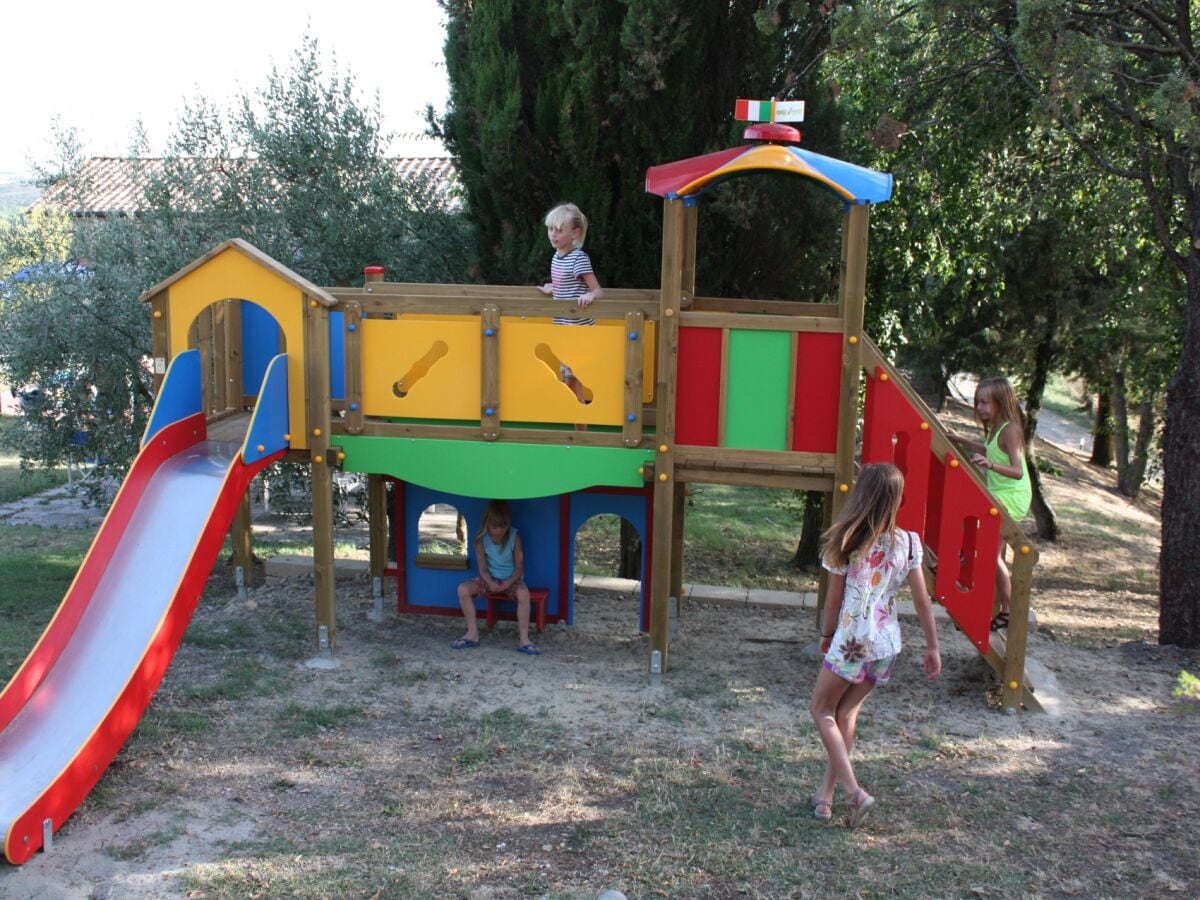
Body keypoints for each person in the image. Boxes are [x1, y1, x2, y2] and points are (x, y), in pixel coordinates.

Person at [809, 463, 941, 827]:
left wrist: (825, 635)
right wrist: (932, 646)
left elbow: (833, 602)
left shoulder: (845, 542)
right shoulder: (910, 542)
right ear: (898, 500)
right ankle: (825, 797)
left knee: (821, 710)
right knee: (845, 715)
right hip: (887, 645)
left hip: (853, 641)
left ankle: (854, 793)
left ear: (860, 495)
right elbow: (922, 601)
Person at [947, 376, 1032, 632]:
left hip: (1012, 495)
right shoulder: (995, 428)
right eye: (978, 402)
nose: (980, 408)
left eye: (985, 403)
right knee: (992, 557)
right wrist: (961, 440)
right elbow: (988, 450)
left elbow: (1018, 471)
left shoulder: (1011, 430)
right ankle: (1004, 609)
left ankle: (963, 555)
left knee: (988, 549)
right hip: (998, 492)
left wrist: (992, 466)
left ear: (1001, 402)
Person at [453, 500, 540, 655]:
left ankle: (524, 639)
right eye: (494, 527)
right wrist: (490, 583)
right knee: (463, 589)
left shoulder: (515, 536)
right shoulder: (481, 539)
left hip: (511, 579)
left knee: (523, 594)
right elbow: (483, 569)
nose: (498, 531)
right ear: (487, 523)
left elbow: (519, 568)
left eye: (503, 526)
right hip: (490, 579)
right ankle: (472, 634)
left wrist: (508, 583)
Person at [537, 203, 603, 403]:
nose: (553, 235)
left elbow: (598, 290)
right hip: (563, 326)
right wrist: (553, 289)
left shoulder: (578, 259)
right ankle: (579, 424)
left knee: (572, 379)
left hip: (578, 328)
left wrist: (591, 296)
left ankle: (580, 426)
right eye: (550, 229)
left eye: (559, 230)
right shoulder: (557, 257)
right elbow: (568, 286)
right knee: (570, 378)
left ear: (575, 233)